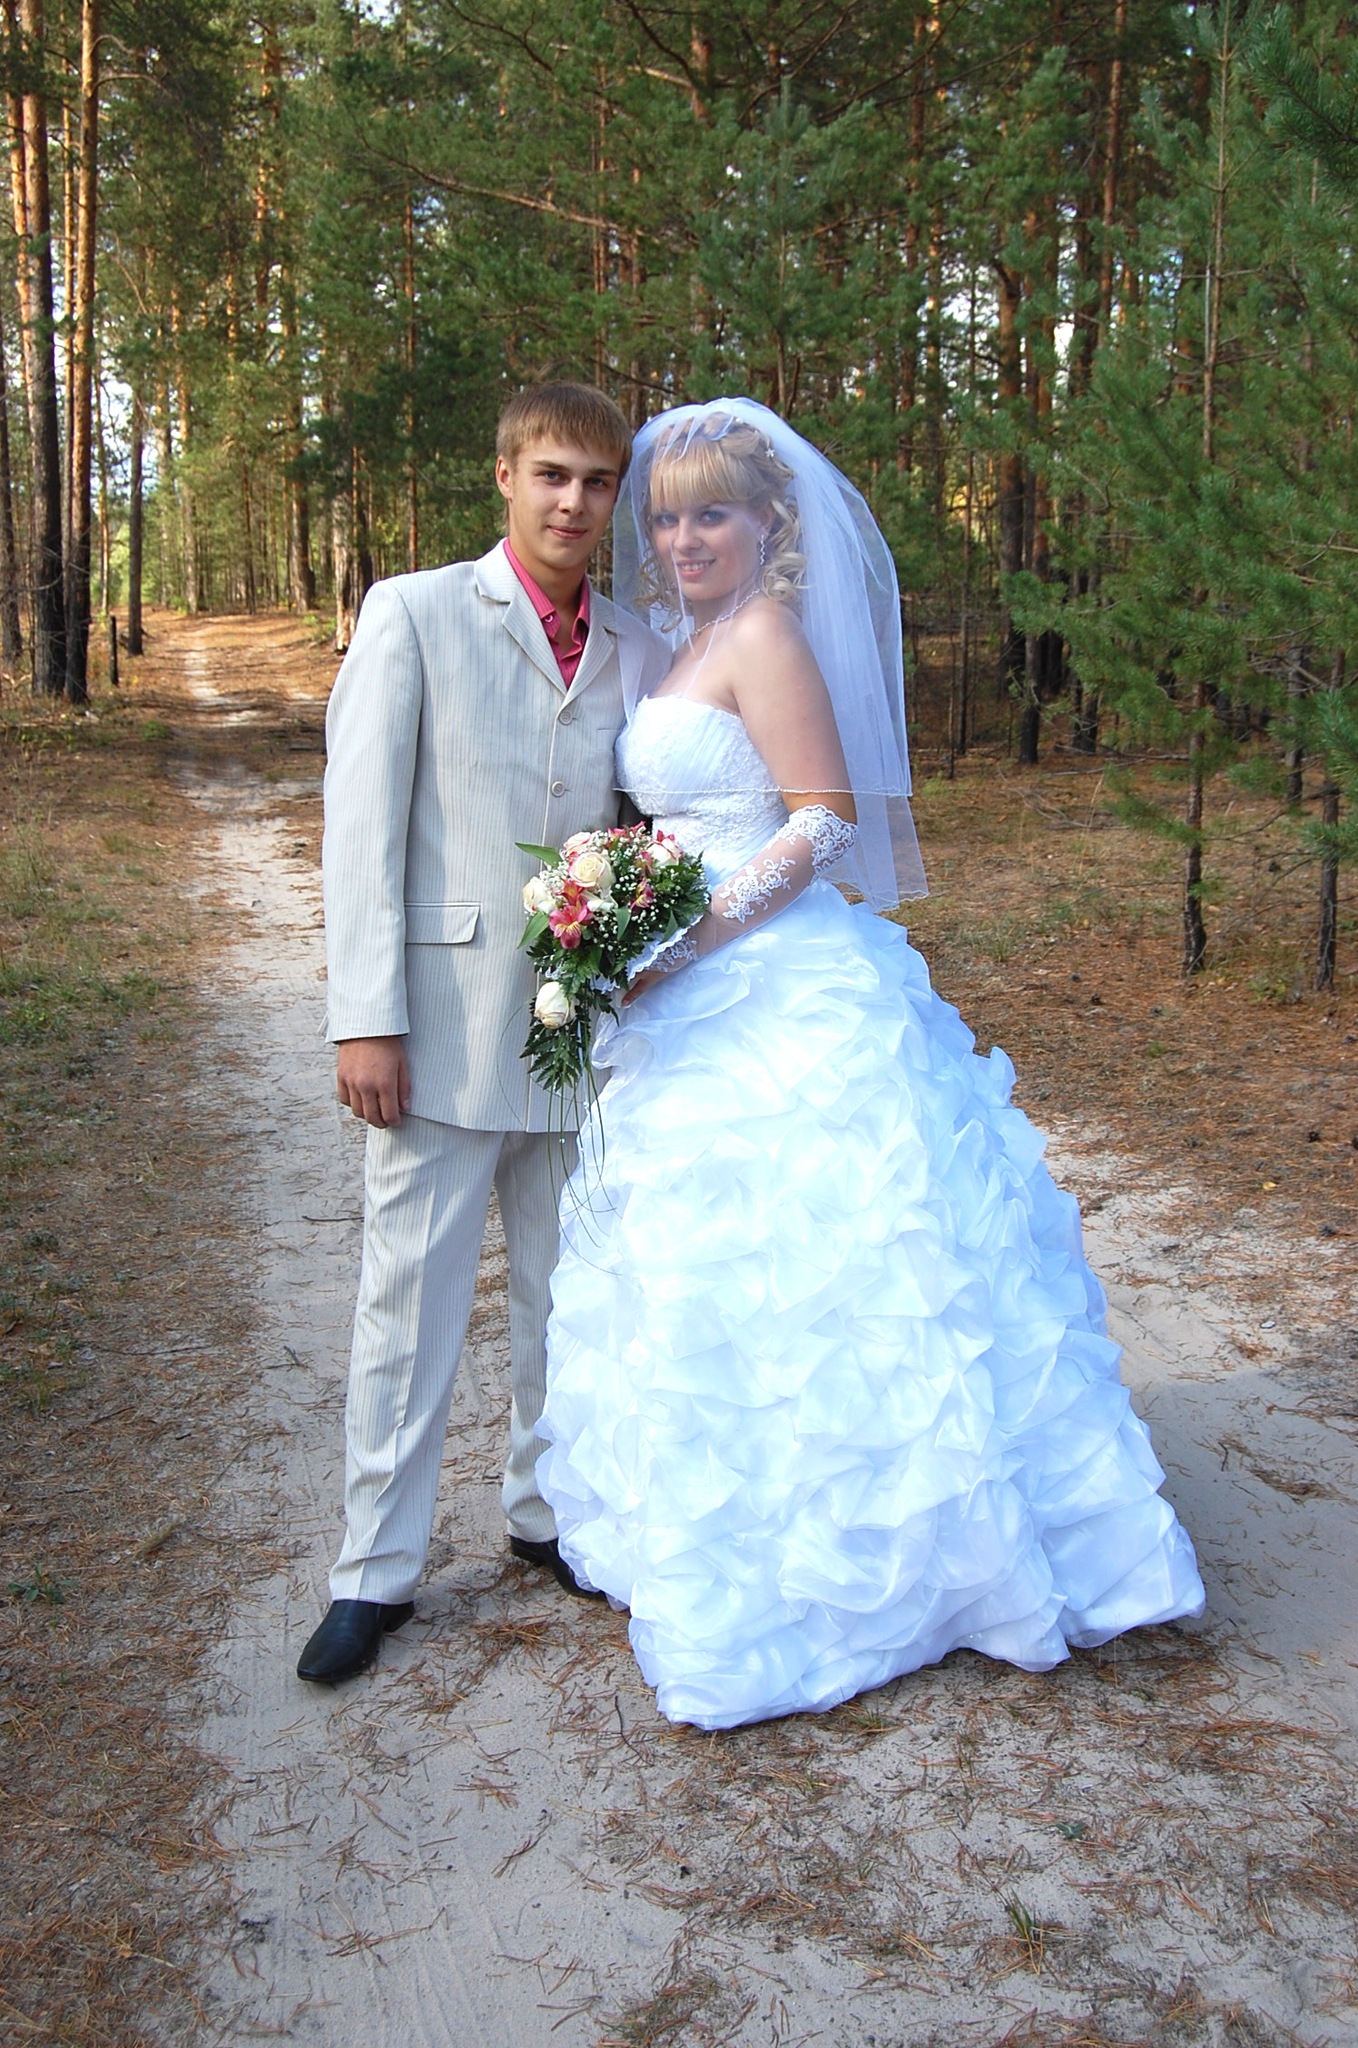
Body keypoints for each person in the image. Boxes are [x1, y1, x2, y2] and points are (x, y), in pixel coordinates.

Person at [536, 399, 1206, 1731]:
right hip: (684, 990)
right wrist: (619, 906)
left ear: (767, 523)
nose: (682, 538)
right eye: (664, 518)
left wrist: (684, 938)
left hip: (770, 976)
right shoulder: (682, 646)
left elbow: (824, 821)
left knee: (847, 1266)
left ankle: (911, 1562)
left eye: (711, 513)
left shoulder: (765, 634)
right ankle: (733, 1534)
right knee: (714, 1271)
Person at [297, 382, 667, 1686]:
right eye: (551, 474)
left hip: (582, 1033)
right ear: (505, 477)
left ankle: (545, 1512)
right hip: (441, 1029)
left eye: (598, 482)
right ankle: (374, 1570)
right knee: (408, 1307)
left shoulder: (635, 644)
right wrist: (365, 1020)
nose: (574, 502)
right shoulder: (413, 613)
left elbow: (643, 826)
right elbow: (360, 828)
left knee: (567, 1294)